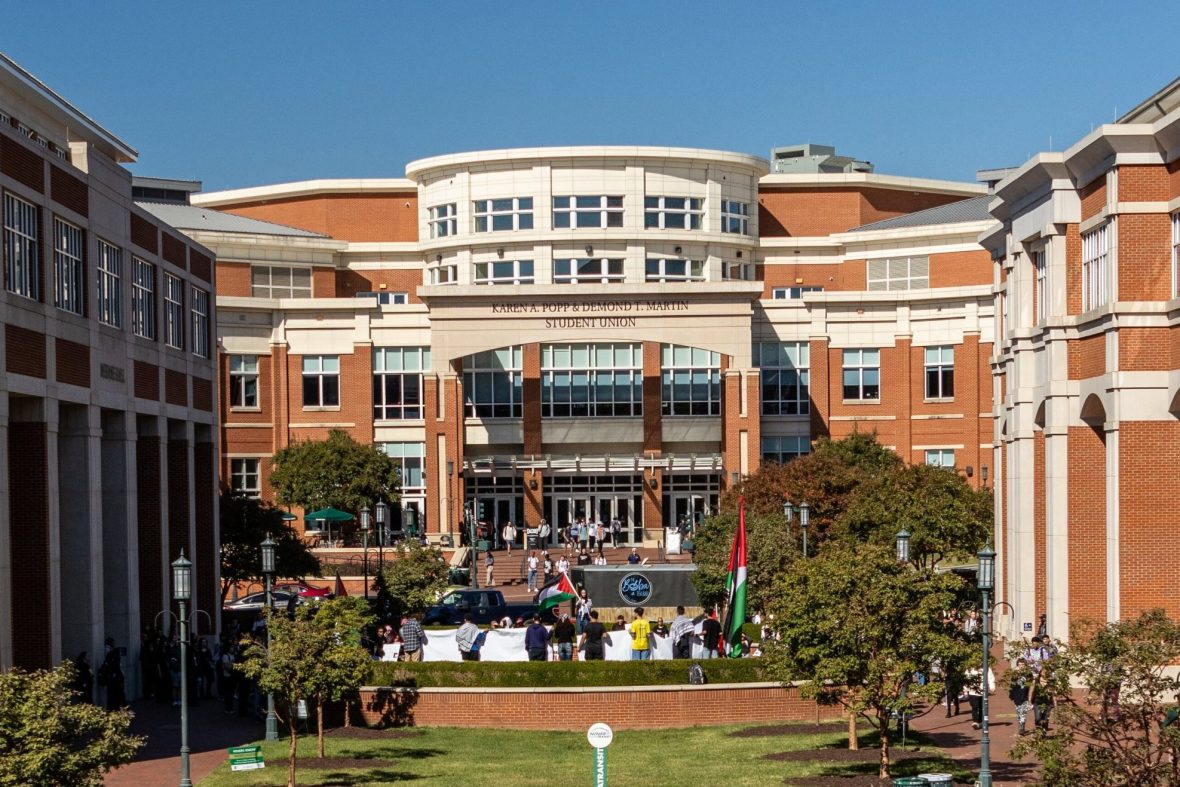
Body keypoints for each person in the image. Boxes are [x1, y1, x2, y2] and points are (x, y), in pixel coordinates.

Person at [964, 664, 996, 730]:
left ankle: (981, 721)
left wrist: (992, 686)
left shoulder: (986, 668)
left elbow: (990, 677)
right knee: (974, 706)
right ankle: (975, 721)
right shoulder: (970, 668)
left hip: (983, 691)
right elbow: (966, 679)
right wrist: (965, 690)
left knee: (982, 707)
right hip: (973, 691)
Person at [1009, 657, 1032, 735]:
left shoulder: (1028, 673)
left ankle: (1022, 727)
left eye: (1023, 664)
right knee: (1018, 712)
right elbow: (1012, 684)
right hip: (1017, 695)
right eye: (1020, 665)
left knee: (1023, 711)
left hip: (1025, 695)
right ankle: (1020, 726)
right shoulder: (1015, 673)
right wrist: (1011, 694)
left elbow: (1031, 684)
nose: (1021, 666)